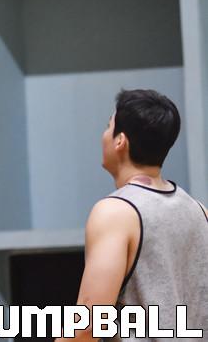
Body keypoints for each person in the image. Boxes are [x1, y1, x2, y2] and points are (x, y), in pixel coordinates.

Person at [57, 89, 208, 342]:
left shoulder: (116, 213)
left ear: (120, 141)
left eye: (108, 127)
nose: (104, 135)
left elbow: (88, 325)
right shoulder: (200, 212)